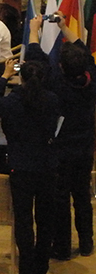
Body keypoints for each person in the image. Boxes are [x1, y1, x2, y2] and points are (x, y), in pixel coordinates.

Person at [26, 13, 96, 261]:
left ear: (62, 67)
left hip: (61, 149)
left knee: (61, 199)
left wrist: (33, 30)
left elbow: (36, 58)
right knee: (82, 195)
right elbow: (85, 53)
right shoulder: (91, 78)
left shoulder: (57, 83)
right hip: (85, 146)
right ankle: (86, 242)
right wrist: (65, 28)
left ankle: (63, 247)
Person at [0, 59, 60, 274]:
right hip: (47, 164)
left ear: (22, 78)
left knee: (24, 220)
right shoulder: (52, 100)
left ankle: (27, 272)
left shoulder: (13, 101)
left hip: (21, 165)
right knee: (46, 218)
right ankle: (41, 266)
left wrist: (4, 76)